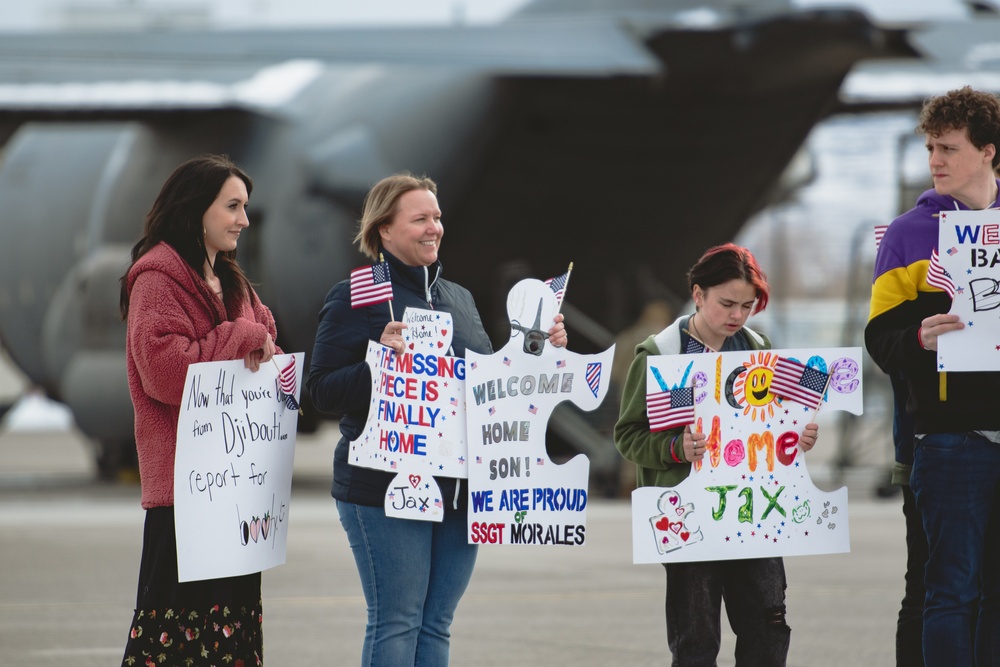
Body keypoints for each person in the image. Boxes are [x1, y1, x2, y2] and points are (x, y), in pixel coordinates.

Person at [306, 172, 566, 666]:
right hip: (383, 486)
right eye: (420, 218)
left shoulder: (460, 299)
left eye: (438, 217)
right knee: (397, 620)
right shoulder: (356, 295)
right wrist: (375, 364)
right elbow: (318, 391)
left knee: (436, 625)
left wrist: (541, 353)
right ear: (383, 230)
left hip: (460, 487)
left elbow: (494, 387)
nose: (435, 227)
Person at [614, 243, 819, 666]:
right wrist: (675, 447)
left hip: (755, 513)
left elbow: (777, 423)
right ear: (698, 294)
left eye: (747, 305)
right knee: (696, 641)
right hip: (690, 517)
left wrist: (797, 437)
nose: (737, 316)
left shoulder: (759, 348)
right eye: (727, 303)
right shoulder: (660, 354)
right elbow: (628, 435)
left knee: (768, 628)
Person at [118, 154, 280, 666]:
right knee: (175, 631)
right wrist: (241, 336)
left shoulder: (231, 280)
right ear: (196, 210)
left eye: (245, 207)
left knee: (231, 631)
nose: (244, 219)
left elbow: (265, 336)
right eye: (232, 206)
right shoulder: (156, 280)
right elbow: (164, 373)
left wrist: (255, 338)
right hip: (184, 495)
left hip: (236, 489)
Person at [865, 85, 1000, 666]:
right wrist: (919, 338)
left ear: (989, 151)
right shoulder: (909, 234)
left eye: (947, 148)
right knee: (946, 590)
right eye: (930, 148)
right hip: (949, 437)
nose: (935, 160)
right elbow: (879, 339)